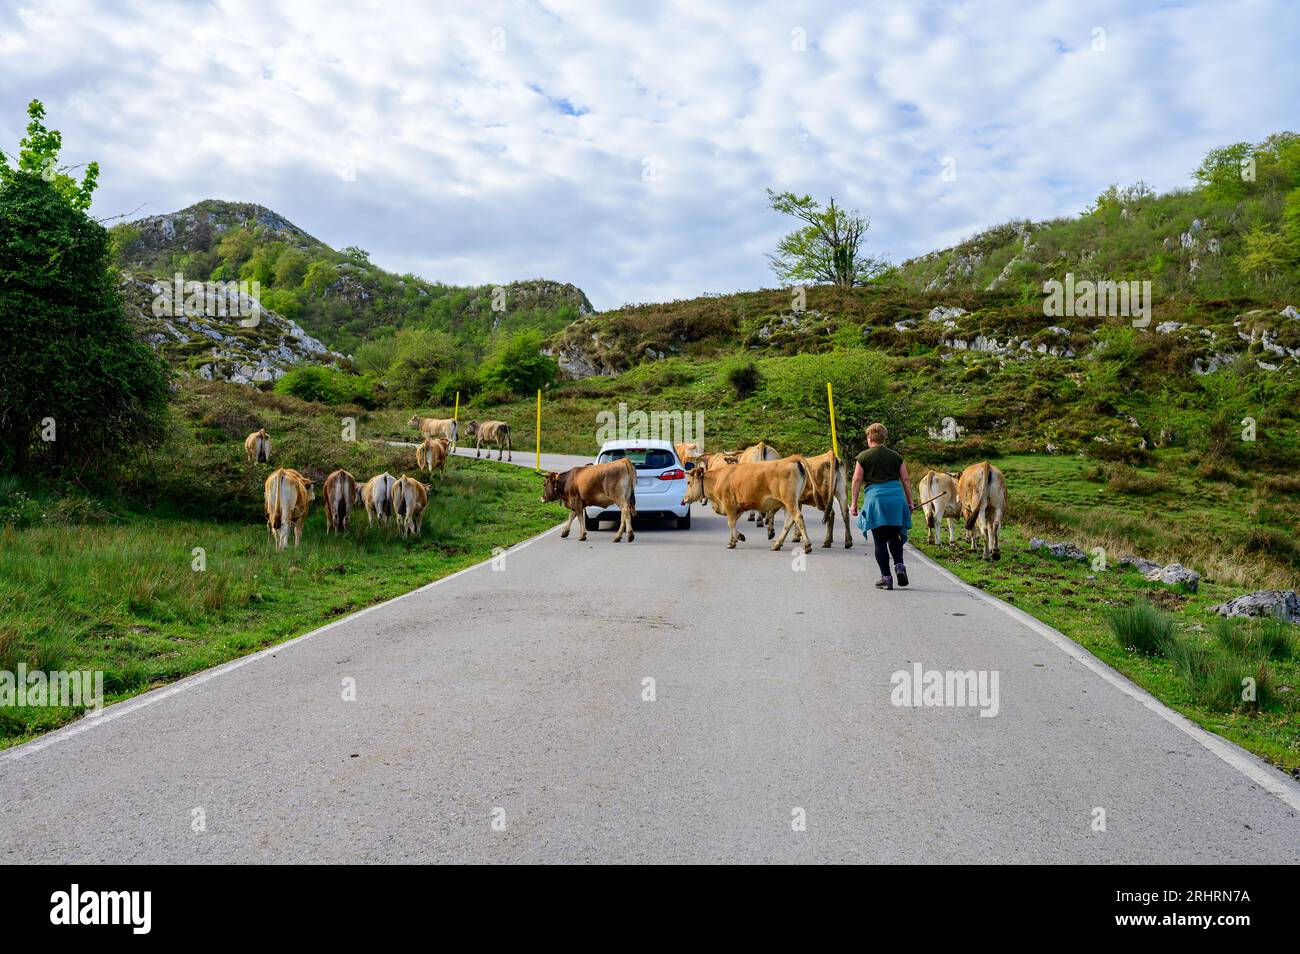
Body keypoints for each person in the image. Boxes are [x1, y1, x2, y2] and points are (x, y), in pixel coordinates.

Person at [849, 422, 914, 590]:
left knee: (879, 541)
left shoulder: (863, 456)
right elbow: (905, 479)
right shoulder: (896, 456)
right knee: (894, 536)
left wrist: (854, 504)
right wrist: (910, 501)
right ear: (884, 437)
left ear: (870, 437)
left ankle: (886, 577)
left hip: (876, 500)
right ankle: (899, 566)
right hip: (896, 499)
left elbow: (856, 480)